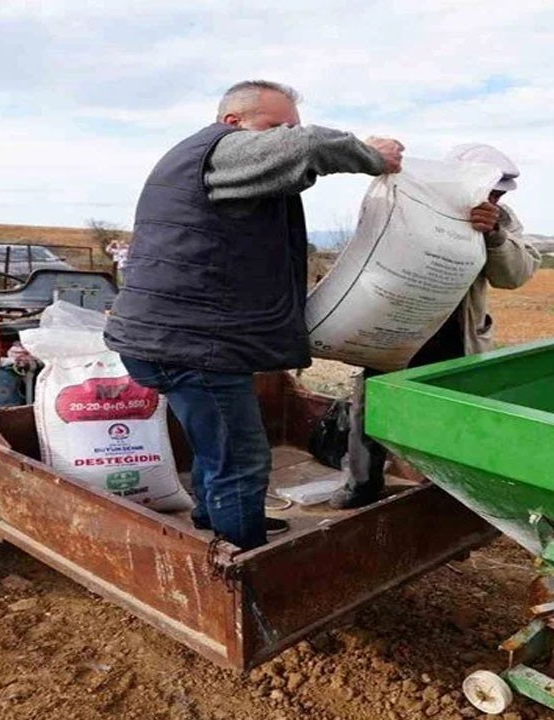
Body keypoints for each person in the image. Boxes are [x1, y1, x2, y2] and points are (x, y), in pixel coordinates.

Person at [104, 80, 404, 550]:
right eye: (275, 127)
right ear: (233, 122)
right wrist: (371, 155)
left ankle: (215, 519)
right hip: (195, 345)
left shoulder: (210, 164)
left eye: (290, 127)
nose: (285, 136)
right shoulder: (223, 149)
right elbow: (307, 145)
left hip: (174, 338)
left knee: (216, 444)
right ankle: (240, 556)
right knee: (242, 460)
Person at [329, 143, 541, 509]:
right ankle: (361, 485)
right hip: (397, 328)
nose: (494, 199)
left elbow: (515, 275)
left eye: (499, 194)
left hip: (457, 336)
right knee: (371, 406)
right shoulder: (415, 200)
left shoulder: (500, 220)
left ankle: (442, 492)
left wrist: (495, 235)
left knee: (448, 417)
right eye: (489, 191)